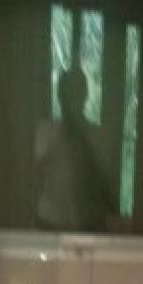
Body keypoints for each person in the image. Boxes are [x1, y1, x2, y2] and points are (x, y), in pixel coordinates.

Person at [35, 66, 113, 232]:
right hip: (50, 224)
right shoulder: (45, 131)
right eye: (67, 92)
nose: (71, 99)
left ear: (85, 95)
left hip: (90, 224)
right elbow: (35, 177)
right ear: (59, 95)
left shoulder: (98, 136)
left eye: (76, 92)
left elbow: (104, 186)